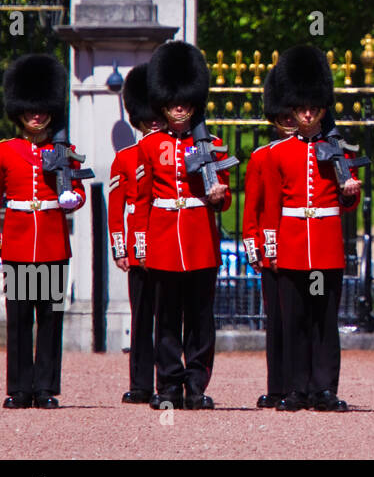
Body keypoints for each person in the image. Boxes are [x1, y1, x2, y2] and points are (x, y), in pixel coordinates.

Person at [259, 45, 360, 412]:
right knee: (295, 322)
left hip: (326, 245)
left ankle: (324, 390)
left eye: (312, 107)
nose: (306, 113)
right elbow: (271, 208)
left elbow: (348, 202)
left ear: (321, 107)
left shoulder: (340, 150)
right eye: (301, 108)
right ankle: (296, 389)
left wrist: (350, 193)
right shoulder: (277, 154)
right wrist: (270, 249)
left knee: (324, 322)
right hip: (291, 245)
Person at [131, 40, 231, 410]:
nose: (179, 107)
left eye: (185, 102)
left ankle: (197, 385)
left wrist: (219, 195)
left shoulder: (214, 144)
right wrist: (139, 244)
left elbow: (226, 197)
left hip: (199, 237)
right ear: (163, 102)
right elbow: (140, 199)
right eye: (174, 102)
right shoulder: (149, 145)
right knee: (168, 318)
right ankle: (169, 385)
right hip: (162, 240)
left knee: (201, 319)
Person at [0, 54, 85, 409]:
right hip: (20, 245)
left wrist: (74, 198)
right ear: (20, 111)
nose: (37, 115)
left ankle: (45, 388)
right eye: (31, 109)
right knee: (20, 321)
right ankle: (19, 388)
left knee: (50, 320)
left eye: (42, 109)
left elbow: (79, 190)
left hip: (53, 244)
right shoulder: (4, 152)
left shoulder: (65, 151)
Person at [240, 69, 297, 409]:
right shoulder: (263, 156)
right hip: (271, 248)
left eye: (293, 114)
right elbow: (253, 207)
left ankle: (299, 385)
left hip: (298, 246)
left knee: (299, 320)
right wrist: (255, 245)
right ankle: (278, 385)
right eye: (283, 116)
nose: (290, 121)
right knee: (276, 320)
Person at [108, 63, 159, 405]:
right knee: (141, 317)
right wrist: (120, 248)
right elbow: (116, 208)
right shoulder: (125, 158)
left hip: (171, 244)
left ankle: (173, 380)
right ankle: (141, 382)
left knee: (172, 318)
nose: (154, 119)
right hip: (140, 247)